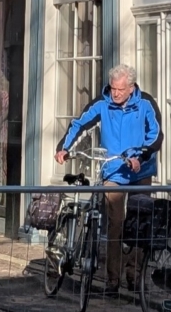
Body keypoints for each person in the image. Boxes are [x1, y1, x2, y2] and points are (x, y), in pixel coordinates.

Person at [57, 64, 164, 293]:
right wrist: (63, 148)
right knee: (115, 222)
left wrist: (141, 157)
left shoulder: (146, 103)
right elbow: (80, 123)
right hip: (113, 171)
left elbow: (155, 136)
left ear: (131, 87)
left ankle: (134, 274)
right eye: (113, 89)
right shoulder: (102, 103)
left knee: (139, 224)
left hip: (140, 171)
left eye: (120, 90)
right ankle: (113, 279)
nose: (115, 94)